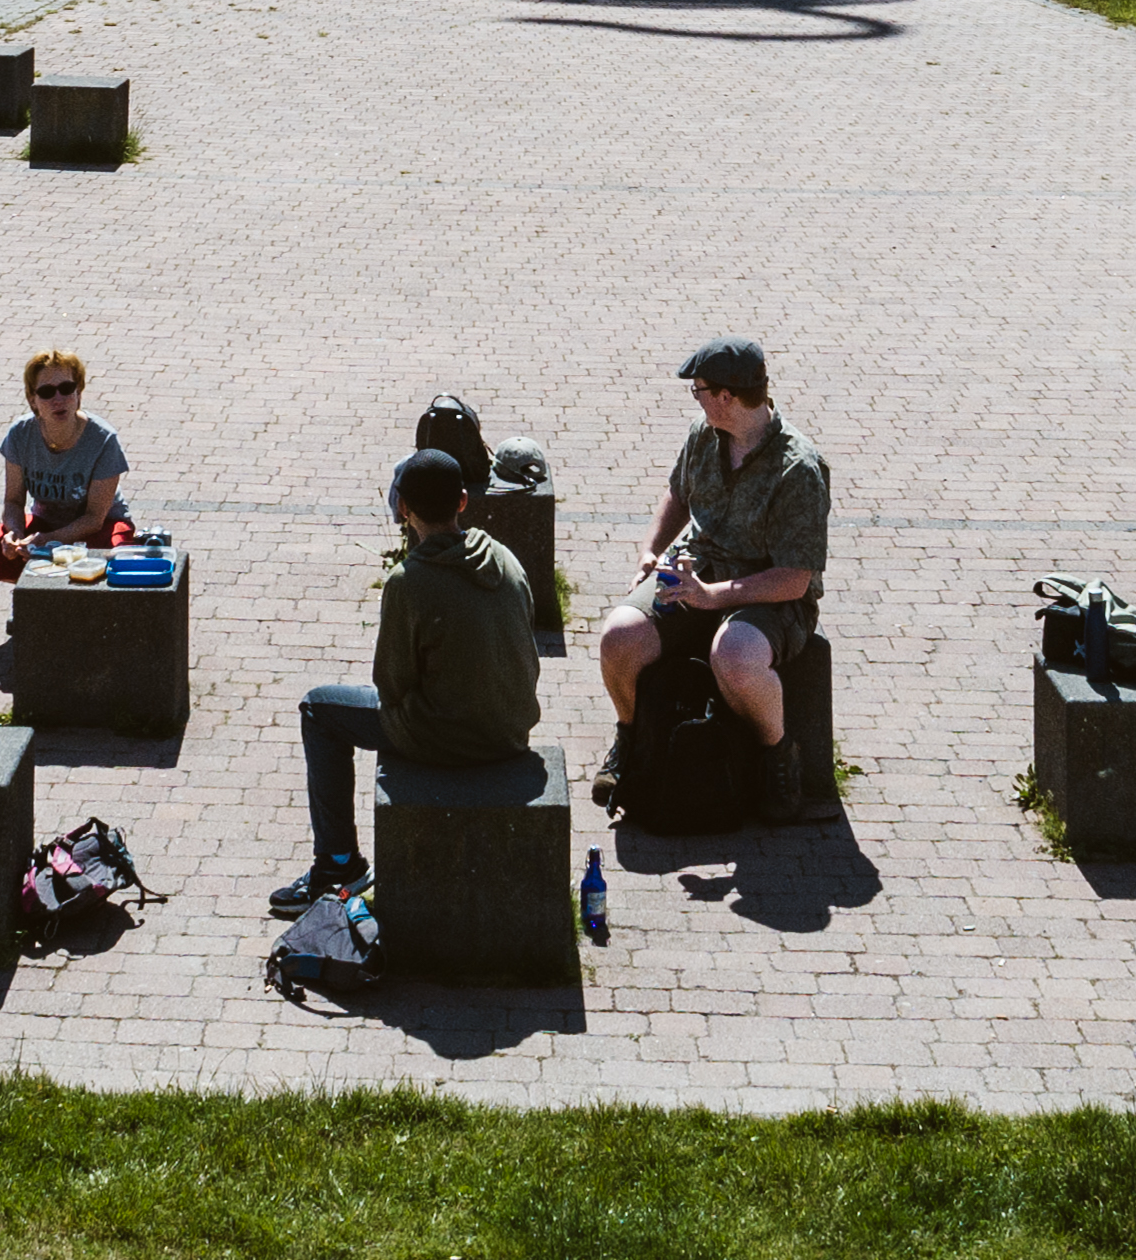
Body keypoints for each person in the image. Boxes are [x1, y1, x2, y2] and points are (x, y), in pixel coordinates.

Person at [271, 446, 540, 913]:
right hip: (511, 729)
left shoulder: (408, 581)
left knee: (319, 708)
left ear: (403, 509)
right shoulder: (505, 558)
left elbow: (392, 687)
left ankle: (338, 864)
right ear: (462, 501)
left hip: (449, 738)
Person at [592, 335, 826, 796]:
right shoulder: (704, 434)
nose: (695, 398)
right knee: (619, 636)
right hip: (699, 567)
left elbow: (794, 580)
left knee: (736, 656)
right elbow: (678, 495)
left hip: (768, 591)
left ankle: (778, 757)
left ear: (726, 396)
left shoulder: (798, 469)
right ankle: (632, 738)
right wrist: (651, 550)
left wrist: (709, 597)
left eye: (699, 389)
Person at [0, 346, 129, 604]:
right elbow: (13, 501)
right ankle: (38, 599)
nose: (59, 399)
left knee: (111, 556)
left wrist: (48, 541)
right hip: (46, 523)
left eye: (67, 389)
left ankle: (90, 608)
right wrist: (14, 534)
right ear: (32, 399)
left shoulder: (103, 440)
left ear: (78, 392)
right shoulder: (20, 433)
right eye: (47, 392)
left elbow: (94, 518)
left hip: (98, 526)